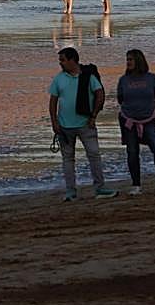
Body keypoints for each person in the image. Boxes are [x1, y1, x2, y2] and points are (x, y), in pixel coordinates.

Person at [49, 47, 117, 201]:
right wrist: (54, 122)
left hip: (86, 124)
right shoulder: (59, 78)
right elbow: (53, 101)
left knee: (94, 156)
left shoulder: (88, 76)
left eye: (63, 60)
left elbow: (100, 94)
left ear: (72, 60)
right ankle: (70, 192)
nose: (60, 63)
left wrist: (94, 116)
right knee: (68, 159)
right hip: (65, 126)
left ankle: (100, 188)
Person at [117, 49, 155, 195]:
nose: (128, 62)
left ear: (138, 60)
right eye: (127, 60)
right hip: (129, 121)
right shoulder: (123, 80)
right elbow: (120, 99)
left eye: (130, 59)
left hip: (148, 120)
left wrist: (150, 111)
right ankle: (136, 185)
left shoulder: (151, 78)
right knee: (132, 152)